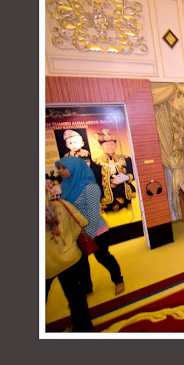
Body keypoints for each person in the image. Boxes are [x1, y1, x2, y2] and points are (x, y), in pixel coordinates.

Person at [56, 156, 125, 296]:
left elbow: (94, 212)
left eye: (64, 168)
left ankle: (118, 280)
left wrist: (90, 234)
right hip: (76, 232)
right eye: (59, 168)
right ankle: (87, 288)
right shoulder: (65, 186)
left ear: (75, 168)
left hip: (96, 230)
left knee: (103, 257)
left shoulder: (90, 187)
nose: (60, 171)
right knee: (81, 263)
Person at [45, 196, 93, 332]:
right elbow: (82, 222)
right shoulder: (60, 205)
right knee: (76, 297)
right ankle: (84, 330)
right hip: (68, 259)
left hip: (47, 264)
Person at [90, 128, 136, 212]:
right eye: (106, 144)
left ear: (116, 145)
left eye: (112, 144)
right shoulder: (95, 162)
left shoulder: (126, 159)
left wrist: (126, 177)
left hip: (127, 196)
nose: (109, 146)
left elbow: (136, 173)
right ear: (101, 147)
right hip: (106, 200)